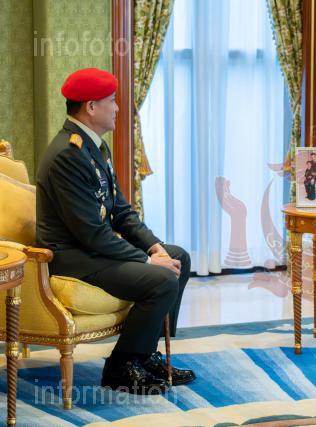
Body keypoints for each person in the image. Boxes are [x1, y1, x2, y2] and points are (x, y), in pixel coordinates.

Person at [36, 68, 196, 395]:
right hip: (73, 258)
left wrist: (154, 248)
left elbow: (121, 212)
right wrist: (148, 262)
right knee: (162, 278)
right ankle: (122, 366)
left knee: (178, 256)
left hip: (93, 250)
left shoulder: (95, 148)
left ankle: (145, 354)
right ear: (91, 107)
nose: (118, 108)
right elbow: (91, 233)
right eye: (112, 101)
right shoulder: (68, 154)